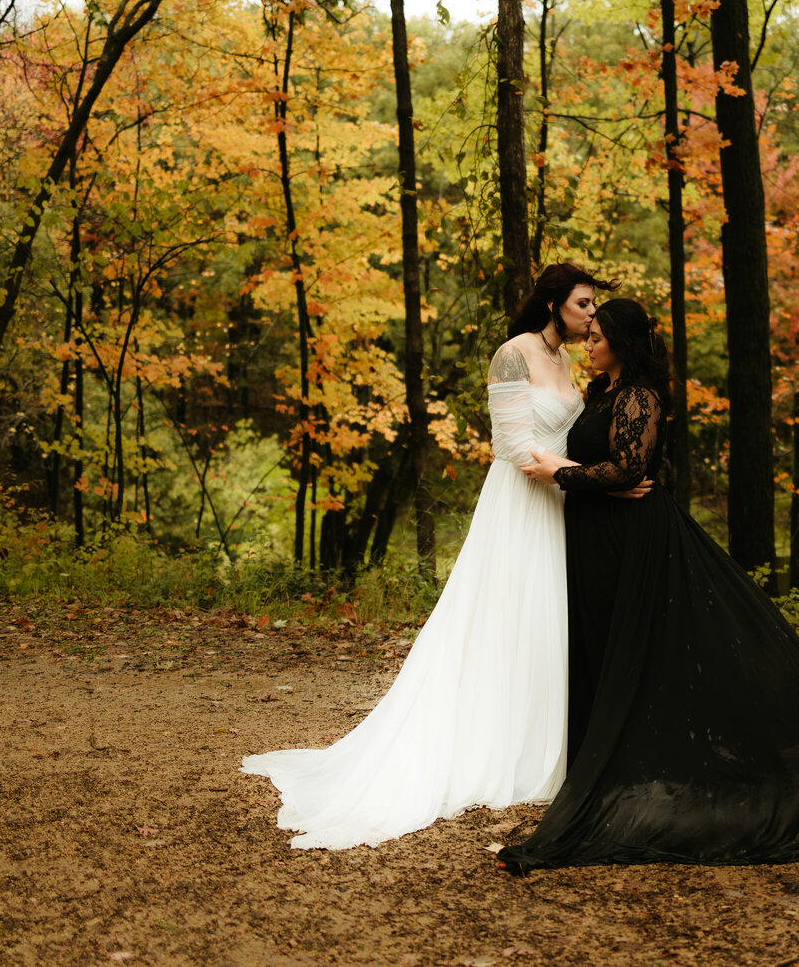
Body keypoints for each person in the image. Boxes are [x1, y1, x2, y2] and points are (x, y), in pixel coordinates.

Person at [498, 298, 799, 871]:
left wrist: (559, 474)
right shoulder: (600, 394)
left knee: (645, 650)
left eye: (596, 336)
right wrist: (591, 479)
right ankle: (592, 752)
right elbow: (614, 467)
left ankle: (636, 762)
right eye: (587, 335)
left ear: (620, 342)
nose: (587, 344)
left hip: (633, 541)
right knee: (598, 644)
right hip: (595, 541)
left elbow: (629, 469)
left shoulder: (640, 395)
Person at [240, 263, 616, 849]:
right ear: (553, 304)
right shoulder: (512, 354)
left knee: (543, 624)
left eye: (594, 306)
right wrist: (592, 477)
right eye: (584, 304)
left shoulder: (566, 361)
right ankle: (489, 746)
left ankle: (540, 742)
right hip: (522, 500)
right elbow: (515, 446)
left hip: (560, 500)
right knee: (503, 618)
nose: (592, 315)